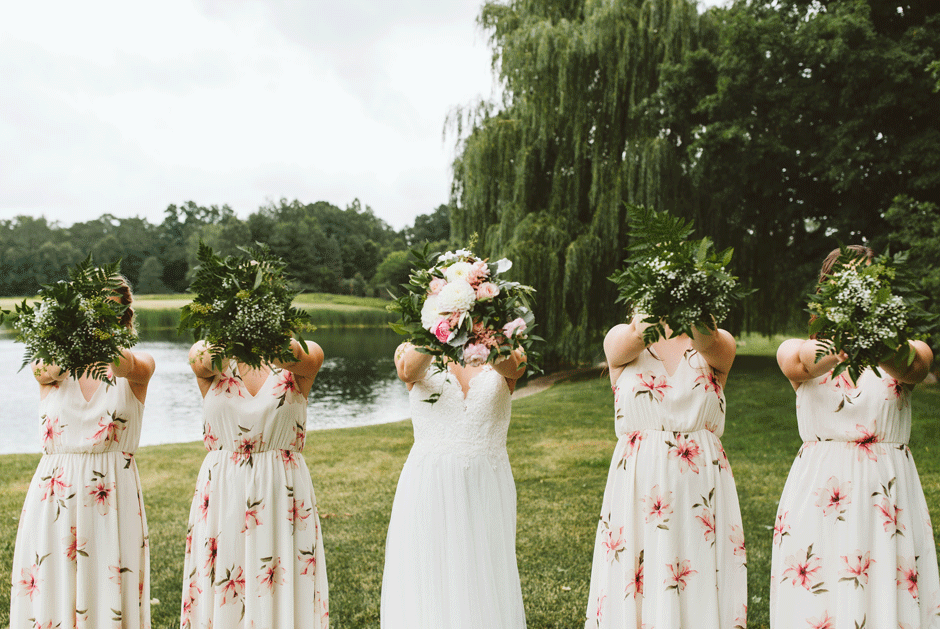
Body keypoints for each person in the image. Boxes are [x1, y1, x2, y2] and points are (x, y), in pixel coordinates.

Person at [770, 246, 940, 628]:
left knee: (886, 599)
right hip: (820, 492)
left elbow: (912, 368)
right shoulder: (795, 349)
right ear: (829, 291)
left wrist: (875, 333)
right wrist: (847, 332)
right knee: (821, 601)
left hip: (888, 492)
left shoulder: (909, 350)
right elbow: (802, 364)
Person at [9, 278, 156, 629]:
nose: (96, 315)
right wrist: (70, 329)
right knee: (54, 590)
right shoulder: (51, 365)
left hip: (113, 498)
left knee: (109, 592)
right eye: (89, 306)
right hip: (55, 495)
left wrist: (101, 334)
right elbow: (45, 367)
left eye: (107, 308)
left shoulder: (139, 364)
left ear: (122, 313)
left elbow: (125, 364)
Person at [584, 315, 747, 628]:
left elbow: (707, 340)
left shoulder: (717, 341)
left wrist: (691, 303)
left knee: (697, 575)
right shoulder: (622, 337)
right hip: (639, 486)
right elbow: (633, 337)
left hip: (700, 486)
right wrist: (659, 293)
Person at [180, 338, 328, 629]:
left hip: (281, 491)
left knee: (281, 584)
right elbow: (204, 362)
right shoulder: (206, 351)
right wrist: (234, 331)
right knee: (225, 586)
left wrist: (265, 329)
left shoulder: (303, 352)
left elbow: (298, 356)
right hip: (224, 490)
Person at [381, 343, 527, 629]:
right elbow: (408, 370)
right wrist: (440, 326)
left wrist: (486, 329)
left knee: (484, 577)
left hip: (486, 488)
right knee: (430, 579)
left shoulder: (509, 344)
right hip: (429, 486)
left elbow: (516, 368)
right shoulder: (410, 347)